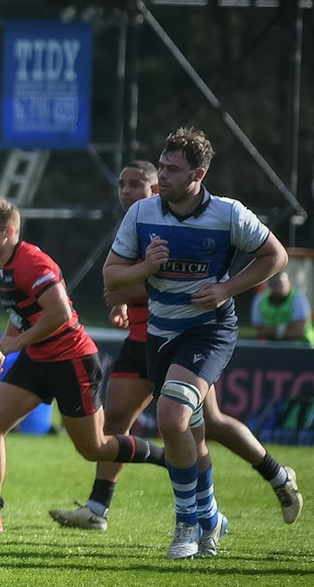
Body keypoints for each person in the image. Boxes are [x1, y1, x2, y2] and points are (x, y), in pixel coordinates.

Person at [52, 162, 301, 531]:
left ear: (156, 189)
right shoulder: (137, 222)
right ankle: (98, 507)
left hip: (183, 341)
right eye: (122, 184)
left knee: (208, 425)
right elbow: (115, 282)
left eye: (135, 184)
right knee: (117, 419)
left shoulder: (175, 223)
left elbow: (162, 284)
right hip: (143, 341)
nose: (126, 191)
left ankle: (272, 476)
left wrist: (132, 288)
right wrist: (124, 296)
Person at [103, 127, 288, 557]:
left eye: (172, 169)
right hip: (161, 334)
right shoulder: (142, 213)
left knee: (172, 418)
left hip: (209, 330)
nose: (163, 176)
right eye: (161, 166)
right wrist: (146, 267)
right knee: (196, 431)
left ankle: (186, 524)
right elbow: (112, 277)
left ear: (198, 174)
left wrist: (227, 289)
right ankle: (211, 516)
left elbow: (275, 256)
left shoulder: (228, 214)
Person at [0, 197, 167, 535]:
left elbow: (60, 313)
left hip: (71, 360)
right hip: (38, 359)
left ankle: (169, 459)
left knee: (94, 448)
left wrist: (16, 344)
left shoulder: (33, 263)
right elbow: (21, 312)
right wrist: (5, 347)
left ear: (8, 233)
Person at [251, 270, 312, 344]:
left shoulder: (298, 299)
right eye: (274, 284)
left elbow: (298, 332)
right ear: (269, 285)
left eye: (281, 283)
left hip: (303, 346)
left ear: (289, 282)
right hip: (271, 346)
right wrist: (287, 328)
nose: (278, 287)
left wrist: (270, 331)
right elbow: (259, 331)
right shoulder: (260, 299)